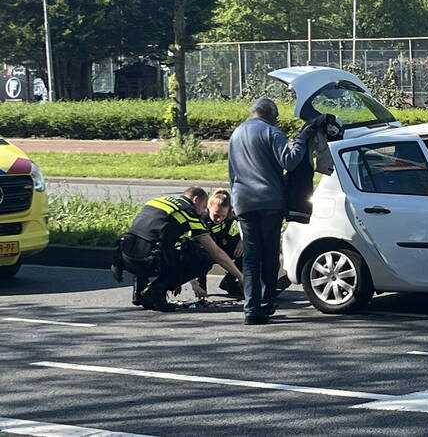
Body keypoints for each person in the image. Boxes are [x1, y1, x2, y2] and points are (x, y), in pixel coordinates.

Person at [228, 97, 321, 325]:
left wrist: (235, 201)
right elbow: (290, 161)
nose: (276, 120)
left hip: (244, 202)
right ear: (270, 113)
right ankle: (266, 303)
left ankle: (250, 308)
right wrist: (302, 138)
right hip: (269, 201)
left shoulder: (236, 134)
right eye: (276, 116)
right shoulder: (271, 132)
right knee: (269, 255)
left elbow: (232, 172)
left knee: (251, 258)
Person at [113, 187, 244, 312]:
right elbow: (215, 252)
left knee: (151, 242)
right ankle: (156, 290)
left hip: (124, 255)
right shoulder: (188, 213)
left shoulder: (157, 201)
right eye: (204, 207)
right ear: (196, 200)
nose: (202, 212)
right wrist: (240, 277)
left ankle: (140, 293)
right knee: (204, 258)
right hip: (148, 260)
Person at [195, 188, 243, 300]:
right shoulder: (201, 218)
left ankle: (229, 281)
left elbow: (246, 225)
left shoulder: (231, 214)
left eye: (223, 216)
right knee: (201, 257)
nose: (219, 219)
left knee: (248, 249)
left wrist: (242, 241)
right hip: (205, 248)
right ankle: (201, 284)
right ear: (208, 207)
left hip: (223, 243)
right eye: (216, 215)